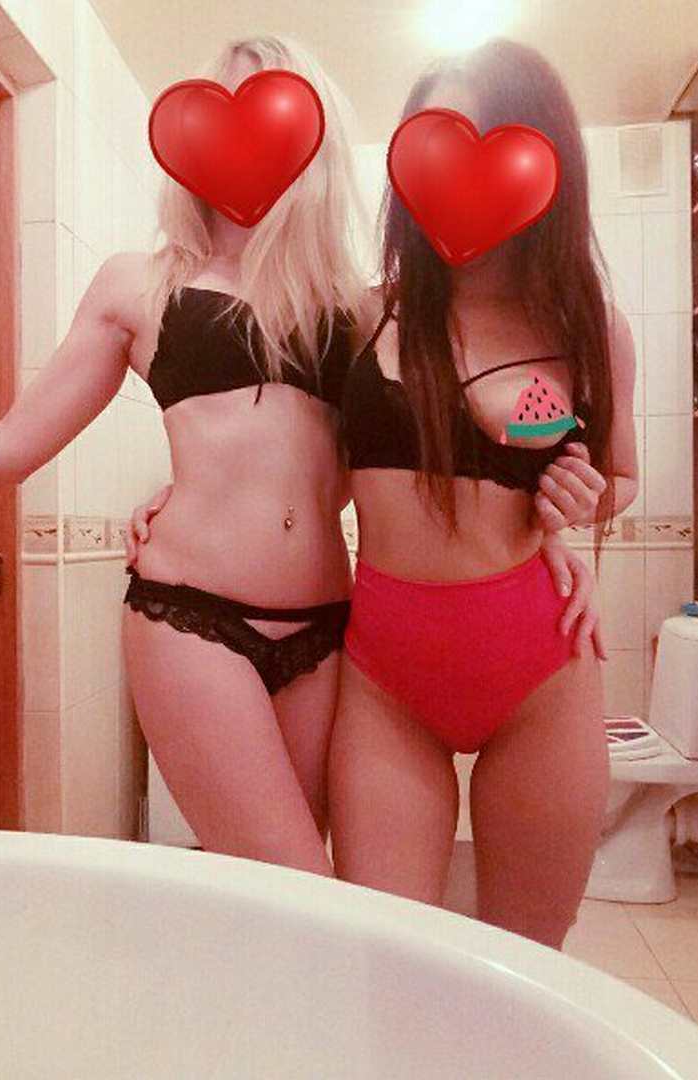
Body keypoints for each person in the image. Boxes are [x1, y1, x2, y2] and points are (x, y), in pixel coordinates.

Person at [0, 33, 603, 886]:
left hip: (328, 631)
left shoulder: (354, 307)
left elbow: (411, 460)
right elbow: (13, 446)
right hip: (190, 616)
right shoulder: (137, 284)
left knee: (289, 905)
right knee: (295, 887)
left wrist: (543, 530)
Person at [321, 38, 638, 949]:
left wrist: (579, 501)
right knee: (389, 953)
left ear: (542, 160)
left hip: (539, 667)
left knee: (529, 960)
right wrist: (185, 506)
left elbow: (619, 478)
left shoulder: (590, 327)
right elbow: (297, 474)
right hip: (384, 676)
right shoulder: (364, 314)